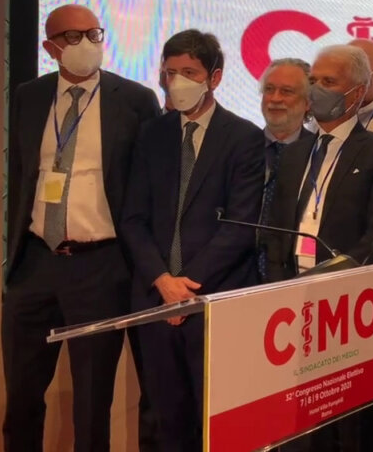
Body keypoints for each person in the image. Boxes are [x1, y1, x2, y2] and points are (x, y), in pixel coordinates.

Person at [3, 4, 161, 452]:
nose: (87, 44)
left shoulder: (135, 100)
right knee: (21, 397)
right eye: (73, 37)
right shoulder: (30, 96)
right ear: (50, 48)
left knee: (92, 403)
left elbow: (151, 186)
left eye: (94, 34)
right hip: (35, 261)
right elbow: (23, 175)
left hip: (101, 265)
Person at [121, 29, 265, 452]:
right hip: (155, 298)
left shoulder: (243, 137)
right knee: (166, 421)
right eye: (170, 73)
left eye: (189, 72)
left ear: (214, 78)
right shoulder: (152, 134)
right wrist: (163, 281)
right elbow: (133, 219)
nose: (178, 82)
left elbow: (240, 226)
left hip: (212, 299)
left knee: (215, 420)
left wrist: (185, 287)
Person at [264, 44, 373, 452]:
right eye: (314, 80)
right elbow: (276, 231)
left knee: (345, 427)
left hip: (346, 309)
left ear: (357, 92)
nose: (317, 89)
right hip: (290, 303)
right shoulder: (295, 152)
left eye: (329, 81)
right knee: (296, 423)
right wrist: (279, 289)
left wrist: (328, 285)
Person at [257, 58, 314, 281]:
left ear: (308, 102)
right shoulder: (239, 146)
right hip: (236, 277)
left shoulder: (319, 154)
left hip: (294, 277)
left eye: (286, 91)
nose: (275, 99)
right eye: (269, 89)